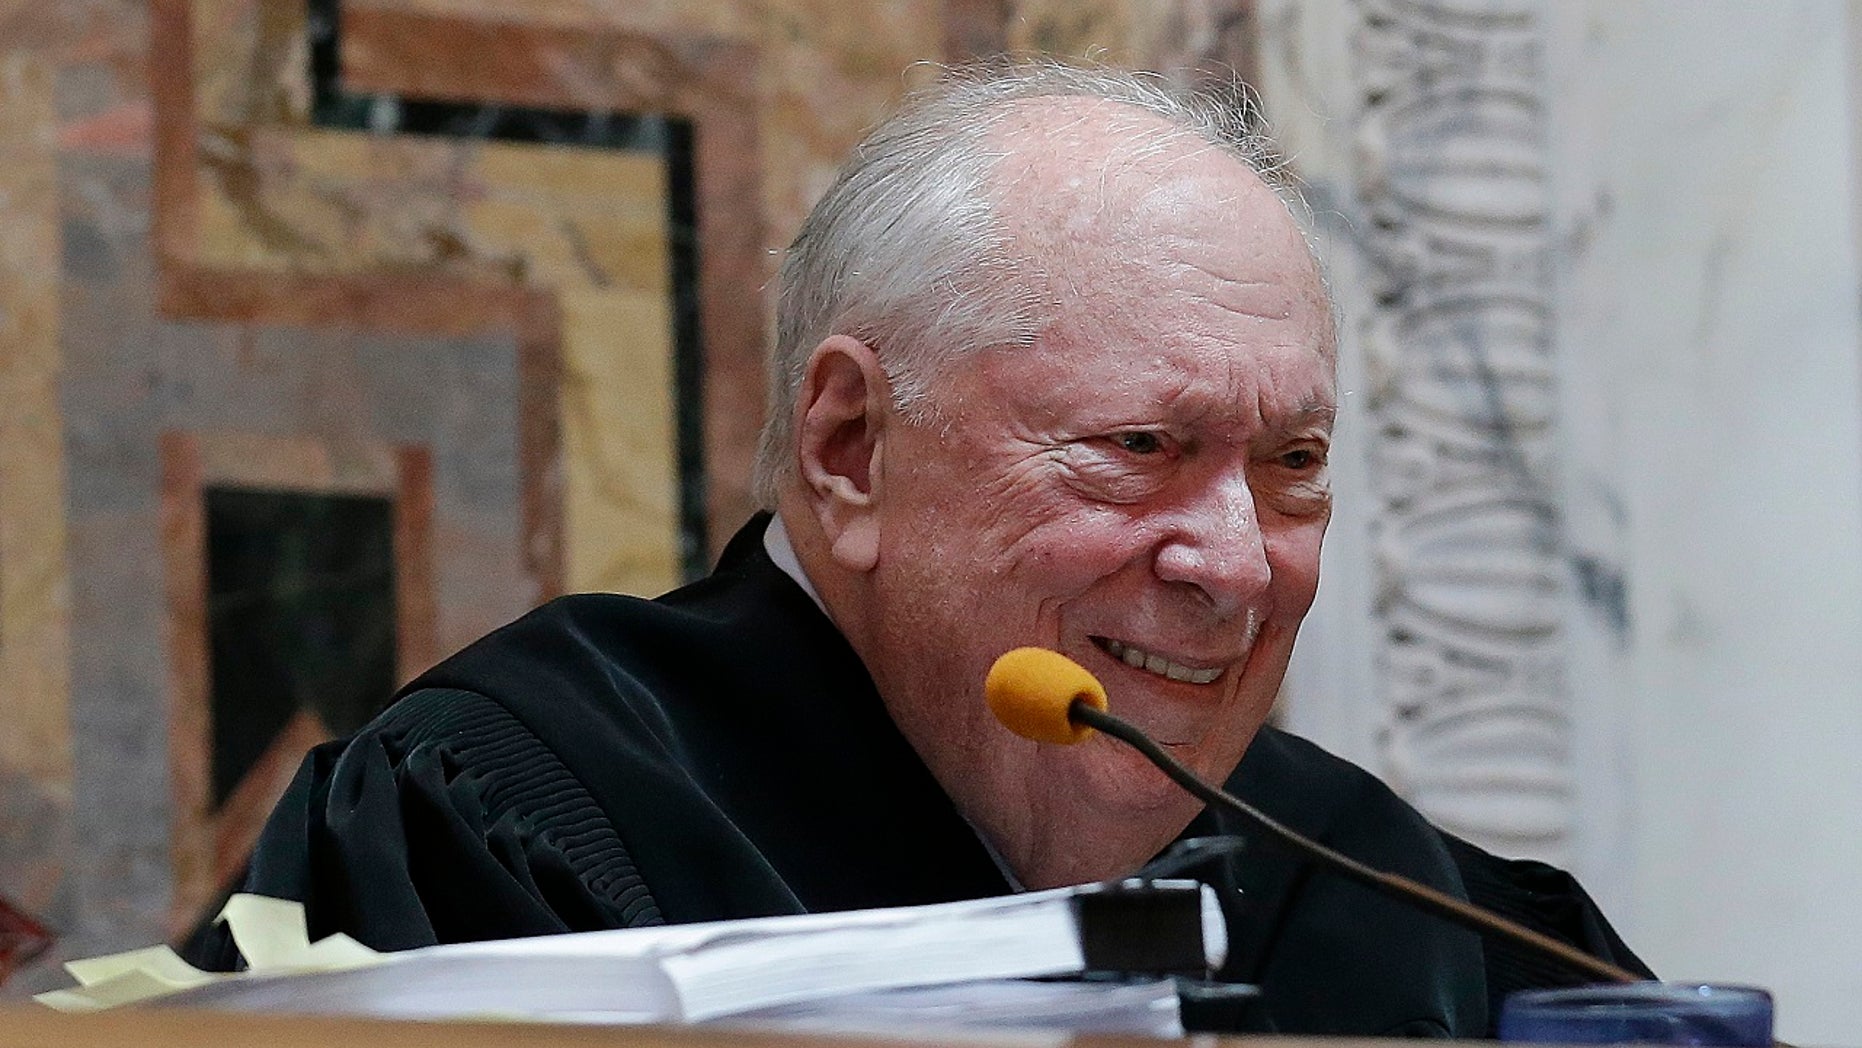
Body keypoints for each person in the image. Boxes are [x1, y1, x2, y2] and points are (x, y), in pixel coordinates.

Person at [190, 61, 1650, 1035]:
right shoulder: (516, 814)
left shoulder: (1402, 910)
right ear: (847, 447)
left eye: (1292, 468)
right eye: (1137, 449)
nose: (1233, 561)